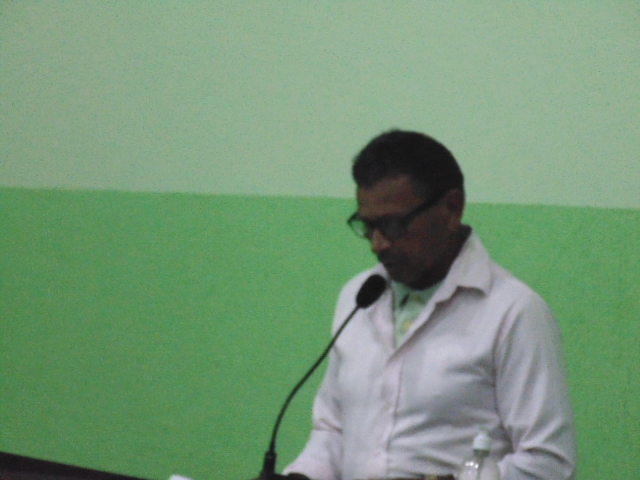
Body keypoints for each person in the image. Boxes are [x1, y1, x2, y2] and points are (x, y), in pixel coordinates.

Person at [283, 130, 577, 480]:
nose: (378, 244)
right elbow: (332, 430)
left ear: (451, 209)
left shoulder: (513, 313)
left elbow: (548, 463)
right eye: (368, 226)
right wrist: (302, 476)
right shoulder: (358, 297)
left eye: (394, 225)